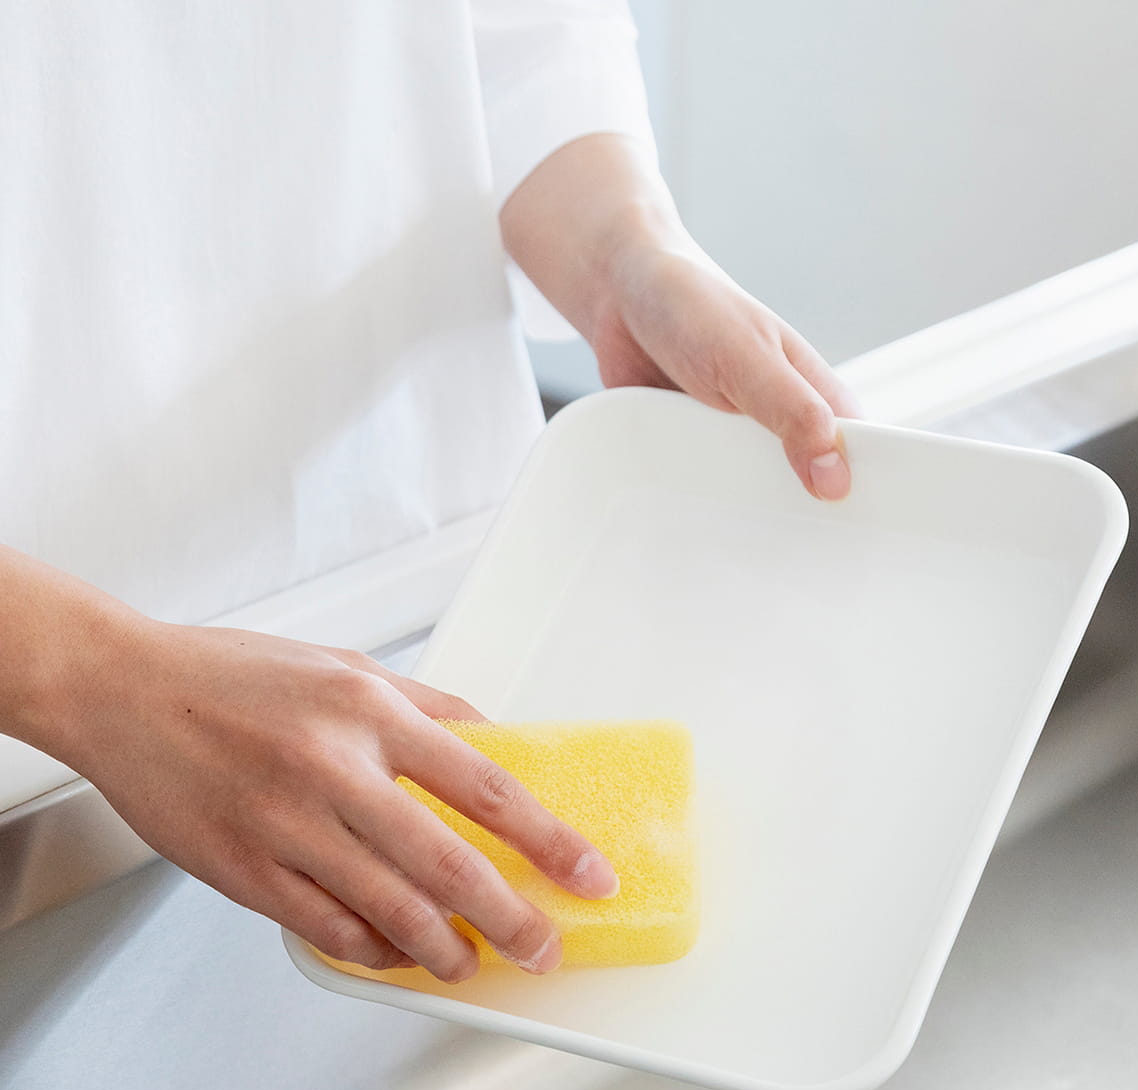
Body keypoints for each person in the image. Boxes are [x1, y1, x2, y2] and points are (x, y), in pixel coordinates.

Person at [0, 1, 858, 985]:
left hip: (455, 594)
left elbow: (513, 42)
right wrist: (106, 683)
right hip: (37, 769)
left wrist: (624, 250)